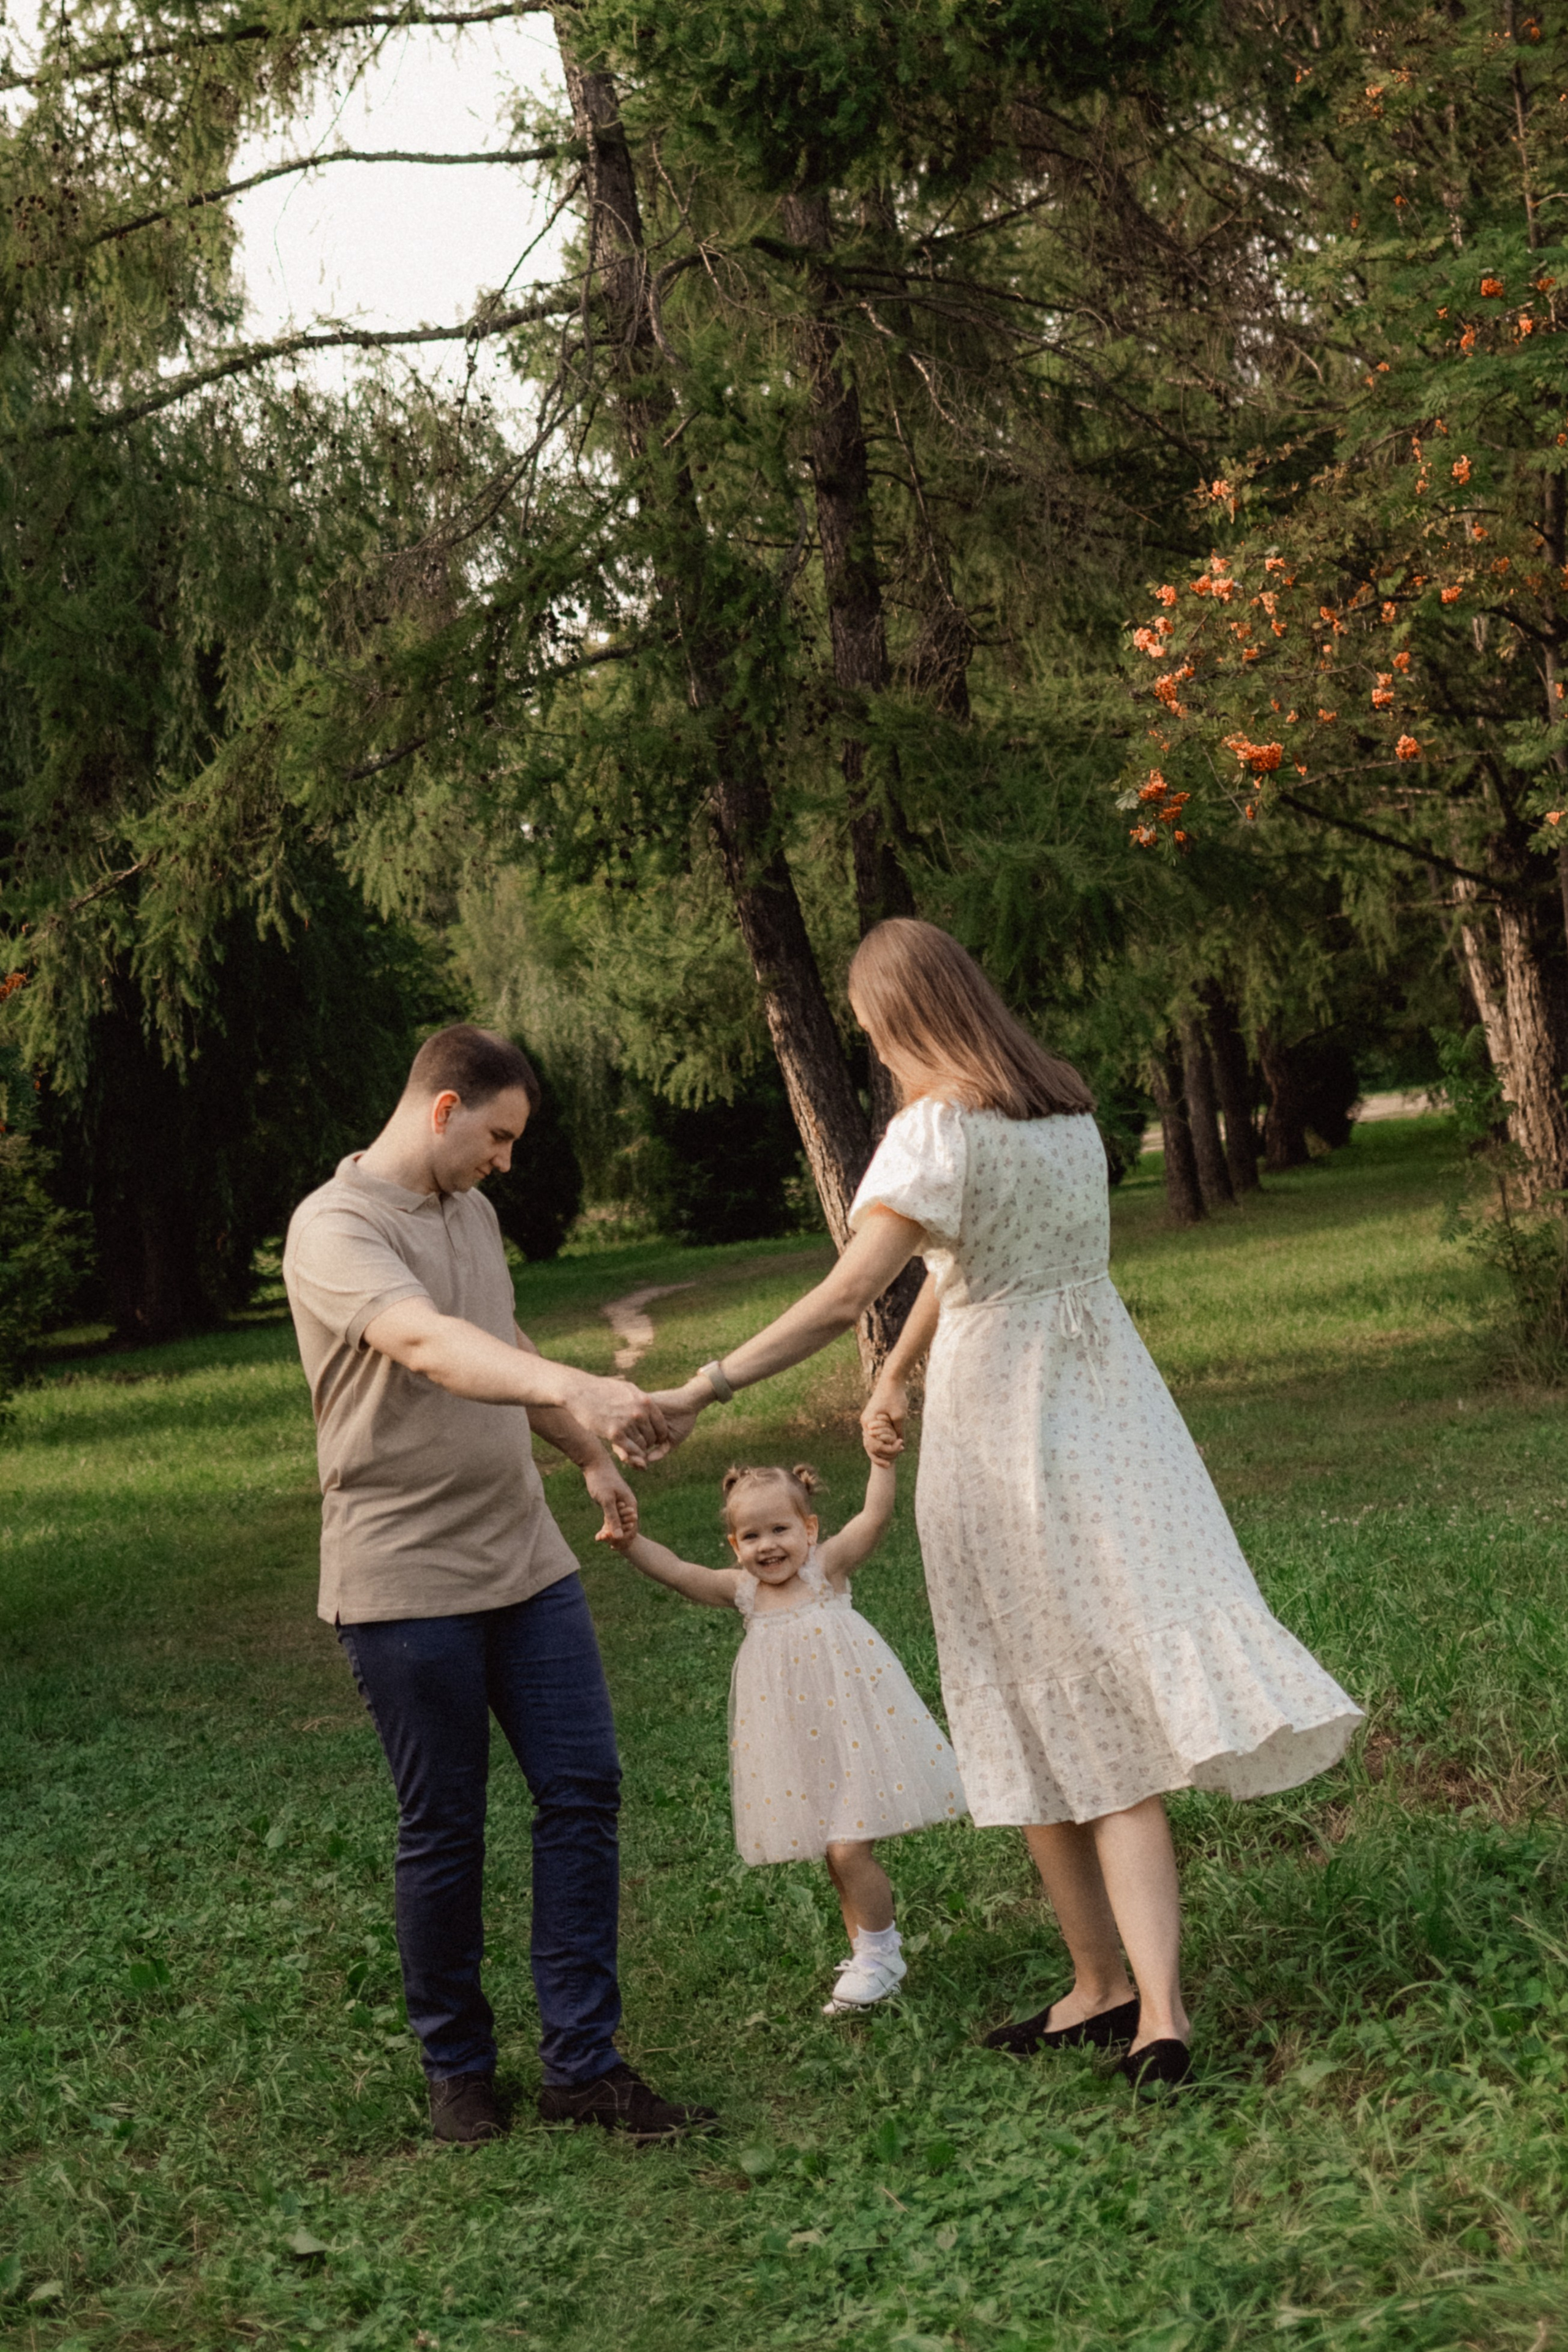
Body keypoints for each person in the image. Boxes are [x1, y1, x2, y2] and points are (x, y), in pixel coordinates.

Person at [647, 921, 1362, 2092]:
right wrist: (894, 1372)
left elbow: (844, 1294)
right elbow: (962, 1263)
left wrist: (705, 1384)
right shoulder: (1060, 1113)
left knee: (1032, 1699)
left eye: (875, 1030)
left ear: (904, 1019)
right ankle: (1125, 2000)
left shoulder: (935, 1128)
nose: (875, 1052)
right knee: (1065, 1714)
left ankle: (1127, 1994)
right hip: (1112, 1415)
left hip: (1005, 1433)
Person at [282, 1023, 715, 2145]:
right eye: (500, 1136)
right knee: (447, 1826)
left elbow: (500, 1340)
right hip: (403, 1576)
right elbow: (426, 1344)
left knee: (582, 1792)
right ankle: (458, 2069)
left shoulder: (470, 1212)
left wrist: (584, 1450)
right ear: (443, 1108)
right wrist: (591, 1385)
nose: (507, 1162)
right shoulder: (336, 1228)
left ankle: (582, 2067)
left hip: (525, 1561)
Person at [600, 1453, 965, 2016]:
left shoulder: (826, 1570)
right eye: (751, 1536)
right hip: (802, 1744)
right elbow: (677, 1571)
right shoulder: (743, 1591)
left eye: (780, 1530)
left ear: (810, 1529)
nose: (767, 1546)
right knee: (833, 1852)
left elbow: (873, 1518)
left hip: (855, 1729)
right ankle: (866, 1956)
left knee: (849, 1849)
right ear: (734, 1545)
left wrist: (881, 1463)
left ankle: (883, 1952)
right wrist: (630, 1543)